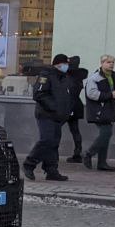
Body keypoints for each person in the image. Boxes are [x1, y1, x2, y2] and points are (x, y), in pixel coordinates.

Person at [24, 53, 74, 182]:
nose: (67, 66)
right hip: (46, 114)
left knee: (54, 143)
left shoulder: (64, 78)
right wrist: (54, 107)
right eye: (65, 64)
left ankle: (51, 170)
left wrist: (67, 111)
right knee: (47, 140)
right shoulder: (46, 75)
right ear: (58, 64)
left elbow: (66, 97)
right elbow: (39, 94)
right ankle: (29, 164)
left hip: (58, 116)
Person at [84, 54, 115, 171]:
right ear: (102, 63)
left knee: (106, 135)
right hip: (99, 110)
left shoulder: (114, 76)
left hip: (110, 110)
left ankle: (102, 163)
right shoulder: (95, 78)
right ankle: (89, 153)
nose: (111, 64)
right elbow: (92, 94)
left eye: (112, 62)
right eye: (108, 62)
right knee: (106, 133)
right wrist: (111, 95)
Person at [66, 55, 88, 163]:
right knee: (75, 130)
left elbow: (69, 92)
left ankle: (49, 152)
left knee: (55, 129)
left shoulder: (68, 75)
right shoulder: (79, 75)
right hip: (76, 105)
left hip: (67, 105)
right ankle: (77, 153)